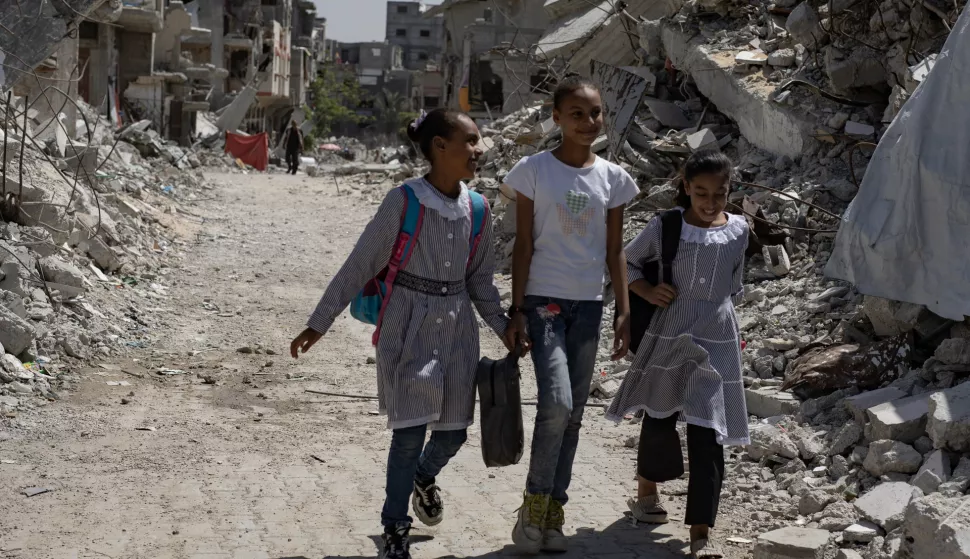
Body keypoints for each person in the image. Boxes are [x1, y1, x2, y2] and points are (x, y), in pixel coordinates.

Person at [289, 108, 512, 559]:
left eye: (479, 141)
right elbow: (361, 263)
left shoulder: (479, 208)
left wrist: (507, 330)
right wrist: (320, 321)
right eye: (470, 141)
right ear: (439, 147)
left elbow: (480, 284)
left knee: (453, 434)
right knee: (408, 434)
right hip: (408, 329)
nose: (479, 149)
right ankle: (395, 529)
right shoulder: (403, 201)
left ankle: (423, 476)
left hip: (459, 332)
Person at [502, 75, 640, 553]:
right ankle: (533, 506)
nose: (588, 122)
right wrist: (516, 309)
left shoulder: (614, 179)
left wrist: (624, 311)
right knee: (557, 402)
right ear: (556, 117)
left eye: (596, 112)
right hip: (543, 304)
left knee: (576, 414)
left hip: (588, 308)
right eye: (577, 113)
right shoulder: (533, 171)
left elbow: (615, 250)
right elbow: (523, 244)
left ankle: (553, 514)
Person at [606, 149, 749, 559]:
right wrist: (647, 291)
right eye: (700, 192)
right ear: (685, 188)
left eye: (719, 193)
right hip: (670, 332)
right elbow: (624, 262)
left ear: (729, 190)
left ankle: (701, 533)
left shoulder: (739, 230)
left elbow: (734, 285)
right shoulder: (665, 226)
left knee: (708, 429)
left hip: (716, 338)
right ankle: (647, 493)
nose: (709, 202)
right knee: (659, 414)